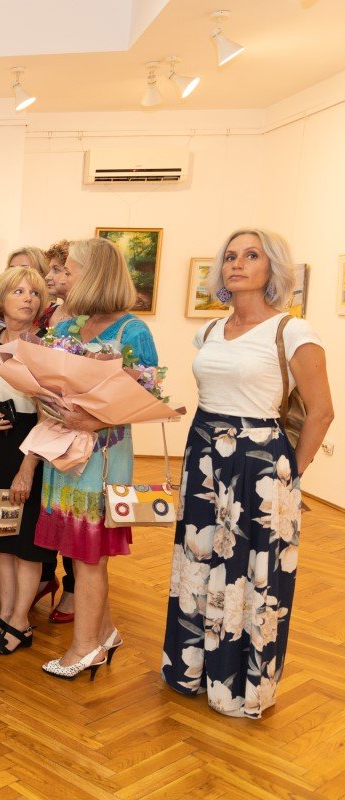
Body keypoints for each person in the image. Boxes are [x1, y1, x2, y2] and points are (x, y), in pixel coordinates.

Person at [162, 229, 333, 718]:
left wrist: (290, 474)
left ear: (272, 267)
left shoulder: (292, 331)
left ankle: (238, 686)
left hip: (259, 464)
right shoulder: (210, 331)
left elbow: (321, 412)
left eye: (251, 255)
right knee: (198, 561)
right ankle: (192, 670)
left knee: (253, 573)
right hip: (204, 454)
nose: (237, 264)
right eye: (231, 256)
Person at [32, 237, 158, 680]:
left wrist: (95, 419)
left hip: (103, 458)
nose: (63, 275)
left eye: (71, 268)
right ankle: (104, 632)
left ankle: (85, 649)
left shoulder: (132, 332)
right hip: (65, 453)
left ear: (96, 274)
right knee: (77, 549)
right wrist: (48, 399)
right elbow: (46, 384)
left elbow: (147, 400)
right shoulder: (68, 327)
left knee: (89, 556)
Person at [0, 266, 58, 654]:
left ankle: (21, 621)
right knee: (0, 538)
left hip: (30, 448)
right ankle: (4, 615)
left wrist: (27, 468)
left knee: (25, 541)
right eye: (18, 291)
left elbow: (49, 415)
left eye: (34, 293)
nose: (28, 298)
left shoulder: (46, 347)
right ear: (0, 300)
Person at [0, 246, 56, 333]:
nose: (16, 274)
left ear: (43, 274)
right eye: (12, 269)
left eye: (24, 268)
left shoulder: (57, 315)